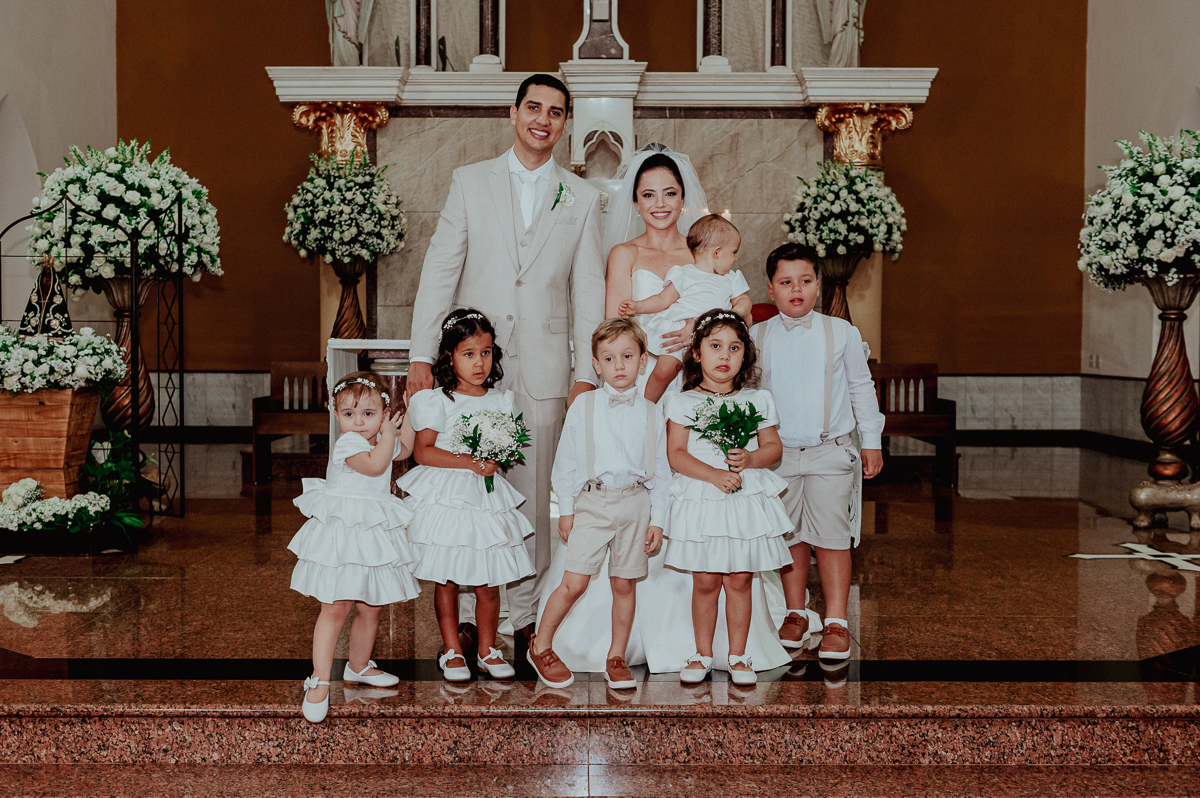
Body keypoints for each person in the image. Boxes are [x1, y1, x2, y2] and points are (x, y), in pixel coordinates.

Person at [406, 74, 605, 659]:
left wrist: (585, 374)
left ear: (566, 125)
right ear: (514, 113)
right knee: (470, 489)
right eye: (534, 108)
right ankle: (468, 615)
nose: (544, 119)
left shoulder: (582, 196)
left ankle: (526, 613)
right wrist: (423, 355)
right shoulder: (469, 183)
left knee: (529, 494)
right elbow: (440, 270)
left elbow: (588, 290)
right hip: (469, 373)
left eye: (556, 112)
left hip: (544, 372)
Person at [752, 243, 885, 661]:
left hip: (830, 450)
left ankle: (836, 620)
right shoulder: (756, 337)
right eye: (786, 282)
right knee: (789, 533)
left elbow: (862, 389)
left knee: (831, 536)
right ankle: (795, 612)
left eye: (805, 281)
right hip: (778, 455)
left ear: (818, 285)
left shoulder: (841, 332)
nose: (797, 290)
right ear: (770, 289)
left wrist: (871, 440)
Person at [528, 318, 670, 689]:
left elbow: (662, 471)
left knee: (624, 584)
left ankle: (616, 656)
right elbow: (566, 462)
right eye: (609, 359)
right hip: (593, 502)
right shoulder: (584, 405)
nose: (618, 366)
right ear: (596, 364)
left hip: (636, 504)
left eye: (627, 356)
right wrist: (568, 510)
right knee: (574, 582)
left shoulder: (653, 412)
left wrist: (658, 520)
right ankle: (541, 645)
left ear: (643, 362)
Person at [399, 309, 535, 682]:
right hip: (448, 496)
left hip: (485, 500)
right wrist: (471, 462)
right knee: (447, 579)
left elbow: (503, 447)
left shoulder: (500, 400)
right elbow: (423, 452)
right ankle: (453, 650)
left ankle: (488, 649)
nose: (480, 362)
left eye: (487, 352)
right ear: (449, 356)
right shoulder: (436, 400)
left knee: (488, 580)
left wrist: (496, 458)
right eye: (469, 353)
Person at [660, 309, 794, 685]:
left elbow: (773, 449)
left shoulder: (758, 399)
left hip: (743, 499)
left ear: (745, 356)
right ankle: (702, 654)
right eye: (715, 346)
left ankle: (738, 655)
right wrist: (714, 475)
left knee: (739, 578)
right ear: (697, 353)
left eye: (734, 348)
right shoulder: (684, 401)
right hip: (703, 497)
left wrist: (750, 459)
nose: (724, 356)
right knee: (705, 580)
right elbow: (677, 454)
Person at [290, 371, 421, 724]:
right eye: (349, 414)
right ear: (336, 415)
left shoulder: (380, 437)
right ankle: (318, 680)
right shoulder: (349, 443)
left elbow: (404, 450)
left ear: (382, 412)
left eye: (369, 413)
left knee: (371, 606)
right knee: (336, 607)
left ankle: (359, 666)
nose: (359, 422)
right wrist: (389, 433)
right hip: (343, 538)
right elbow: (377, 464)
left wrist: (408, 414)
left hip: (370, 536)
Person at [618, 214, 752, 402]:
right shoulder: (684, 273)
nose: (735, 259)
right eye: (733, 253)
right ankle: (646, 405)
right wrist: (638, 306)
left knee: (709, 379)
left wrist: (732, 315)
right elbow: (663, 299)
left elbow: (745, 301)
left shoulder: (730, 278)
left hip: (714, 339)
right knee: (664, 371)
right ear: (717, 253)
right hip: (680, 335)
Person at [603, 146, 709, 381]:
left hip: (698, 371)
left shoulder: (700, 254)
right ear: (636, 203)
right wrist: (653, 352)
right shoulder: (624, 254)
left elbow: (725, 307)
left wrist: (699, 329)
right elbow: (615, 325)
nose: (660, 204)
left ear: (683, 199)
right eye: (649, 195)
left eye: (670, 193)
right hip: (640, 372)